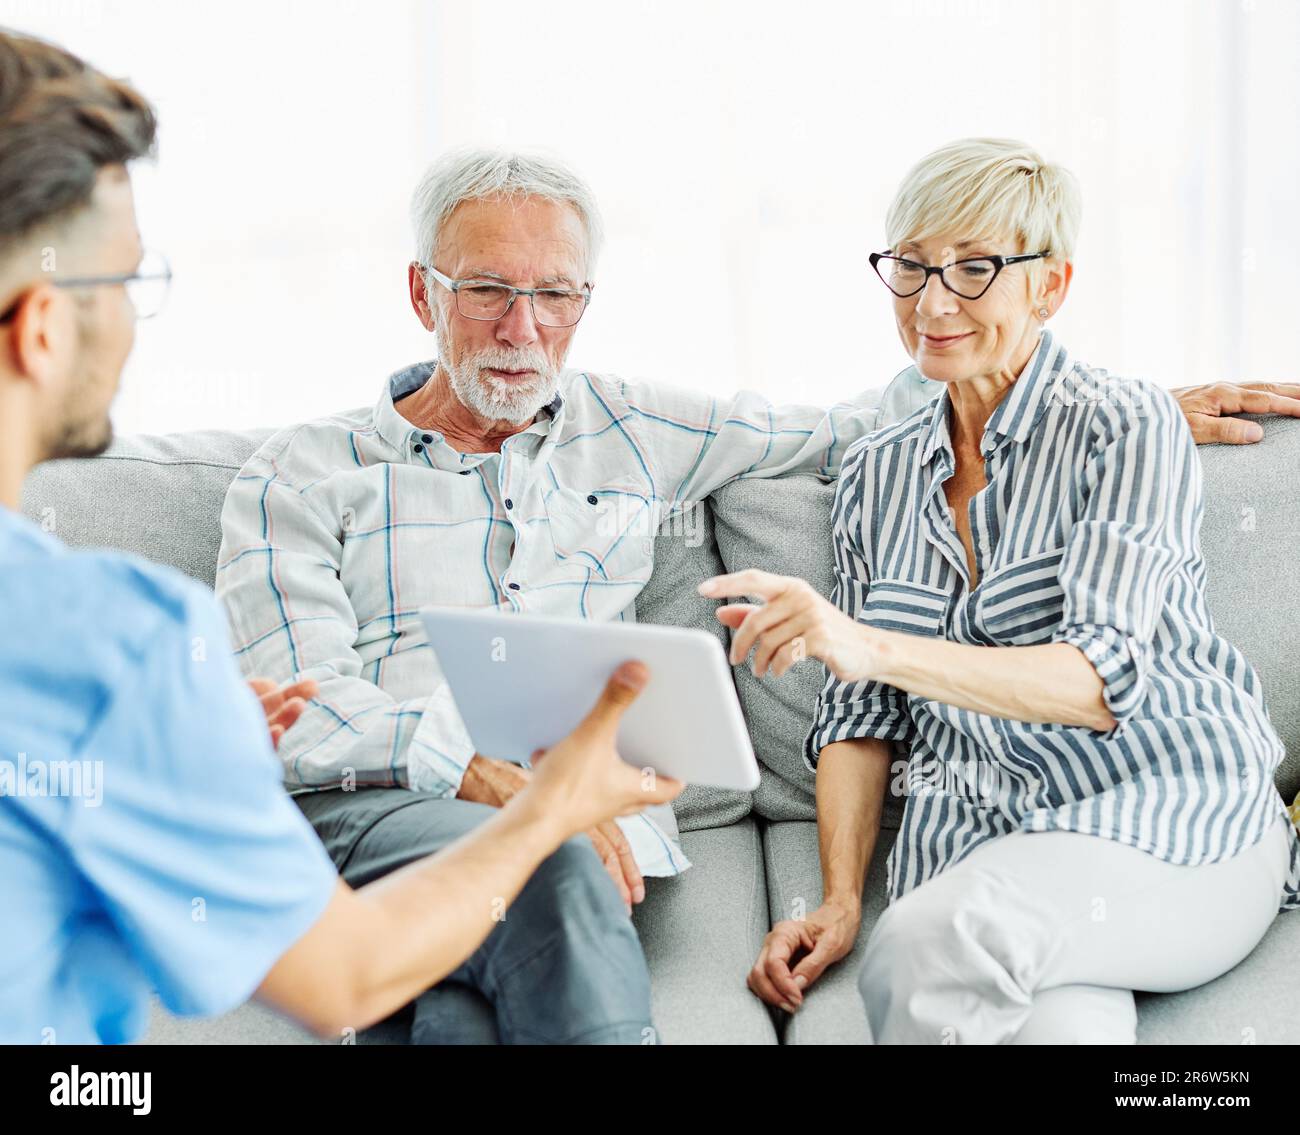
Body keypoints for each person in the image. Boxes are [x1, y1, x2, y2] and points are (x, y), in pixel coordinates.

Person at [0, 28, 680, 1048]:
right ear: (44, 326)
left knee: (448, 1017)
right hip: (373, 820)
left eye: (552, 295)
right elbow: (339, 975)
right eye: (131, 285)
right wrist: (554, 805)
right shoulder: (108, 642)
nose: (522, 324)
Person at [703, 138, 1300, 1044]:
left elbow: (1098, 682)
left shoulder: (1127, 424)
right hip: (992, 850)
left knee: (931, 942)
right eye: (911, 268)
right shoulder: (877, 472)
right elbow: (861, 715)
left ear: (1050, 287)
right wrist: (837, 896)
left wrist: (863, 642)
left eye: (976, 269)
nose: (933, 303)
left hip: (1174, 821)